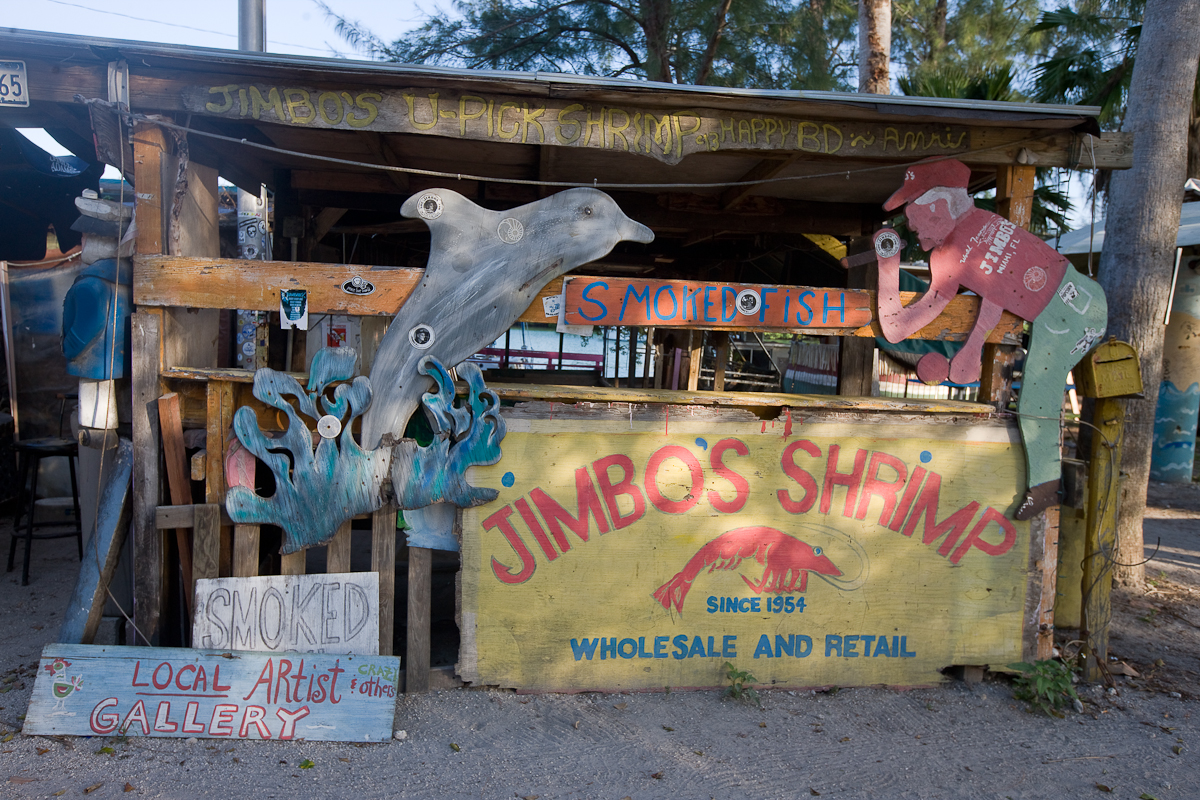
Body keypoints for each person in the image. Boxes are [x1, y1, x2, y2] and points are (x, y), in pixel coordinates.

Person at [875, 159, 1107, 520]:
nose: (913, 230)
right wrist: (974, 344)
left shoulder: (950, 256)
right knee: (1038, 392)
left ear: (939, 207)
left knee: (1037, 396)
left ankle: (1046, 487)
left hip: (1066, 316)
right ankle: (1046, 482)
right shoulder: (986, 222)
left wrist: (887, 268)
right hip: (1086, 298)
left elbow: (896, 329)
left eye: (915, 218)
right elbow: (996, 290)